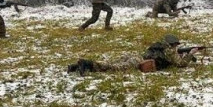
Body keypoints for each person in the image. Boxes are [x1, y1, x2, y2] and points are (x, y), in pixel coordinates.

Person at [67, 34, 199, 74]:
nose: (177, 47)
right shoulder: (170, 51)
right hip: (138, 61)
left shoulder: (160, 45)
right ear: (173, 44)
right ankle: (88, 64)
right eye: (176, 45)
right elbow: (180, 64)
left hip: (136, 55)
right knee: (114, 68)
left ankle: (75, 66)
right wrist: (190, 53)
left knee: (112, 63)